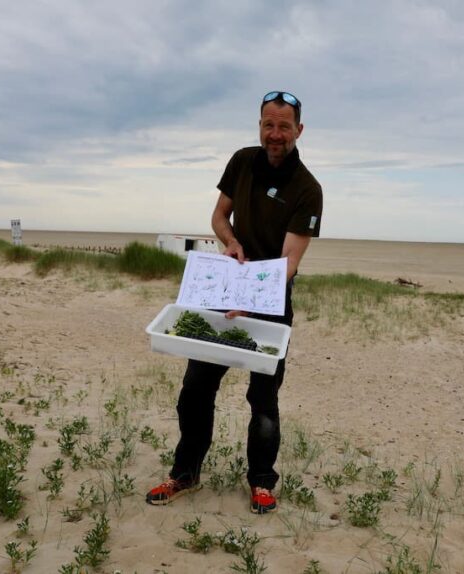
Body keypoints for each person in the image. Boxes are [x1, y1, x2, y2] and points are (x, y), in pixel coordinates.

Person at [146, 91, 323, 514]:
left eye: (284, 126)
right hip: (226, 292)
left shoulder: (308, 189)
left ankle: (262, 482)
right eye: (268, 124)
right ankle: (185, 473)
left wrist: (252, 297)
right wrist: (231, 243)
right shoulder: (242, 161)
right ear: (259, 126)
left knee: (263, 400)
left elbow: (289, 263)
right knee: (195, 390)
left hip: (270, 303)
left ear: (299, 130)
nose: (275, 134)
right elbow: (219, 217)